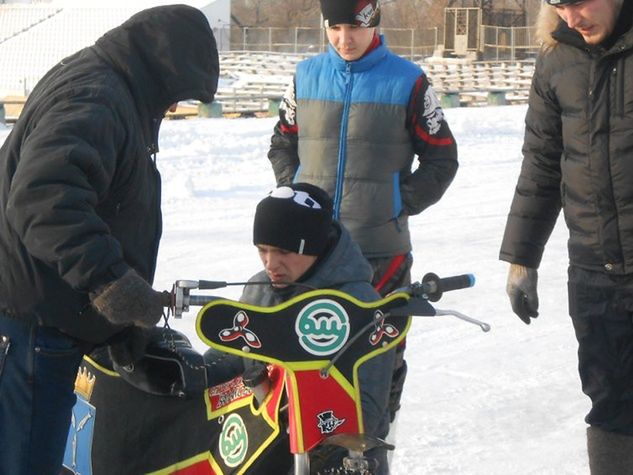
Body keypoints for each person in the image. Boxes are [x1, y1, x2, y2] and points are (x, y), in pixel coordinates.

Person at [0, 5, 219, 475]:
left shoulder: (108, 84)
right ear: (163, 72)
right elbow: (44, 198)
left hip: (45, 315)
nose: (173, 108)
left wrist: (116, 325)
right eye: (175, 96)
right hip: (31, 324)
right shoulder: (97, 97)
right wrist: (111, 283)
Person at [267, 0, 458, 426]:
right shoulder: (304, 77)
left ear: (373, 23)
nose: (344, 39)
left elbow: (442, 158)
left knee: (377, 358)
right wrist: (295, 194)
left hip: (380, 252)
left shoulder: (409, 82)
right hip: (308, 253)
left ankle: (376, 445)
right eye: (334, 28)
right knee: (304, 358)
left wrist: (396, 204)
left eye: (354, 27)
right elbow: (282, 142)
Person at [499, 0, 633, 473]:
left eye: (581, 2)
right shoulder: (556, 57)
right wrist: (522, 259)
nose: (572, 17)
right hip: (597, 274)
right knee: (612, 407)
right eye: (559, 5)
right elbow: (540, 162)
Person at [208, 182, 395, 473]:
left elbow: (366, 409)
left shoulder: (358, 306)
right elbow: (232, 357)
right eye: (263, 250)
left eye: (283, 251)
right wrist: (187, 373)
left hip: (340, 460)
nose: (271, 264)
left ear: (315, 246)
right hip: (262, 451)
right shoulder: (260, 290)